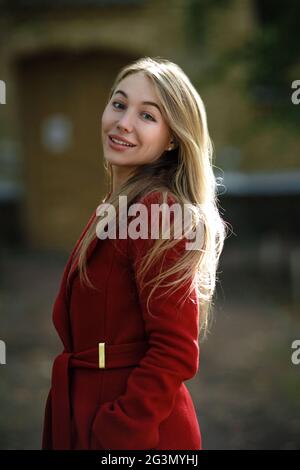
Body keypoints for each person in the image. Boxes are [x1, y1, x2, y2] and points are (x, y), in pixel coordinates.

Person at [41, 56, 227, 450]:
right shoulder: (120, 205)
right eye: (120, 104)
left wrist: (119, 430)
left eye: (147, 115)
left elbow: (176, 351)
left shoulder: (156, 210)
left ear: (173, 137)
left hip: (134, 431)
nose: (123, 122)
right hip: (89, 409)